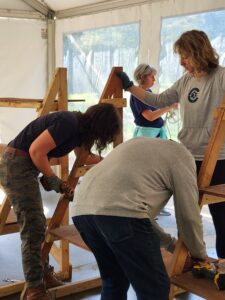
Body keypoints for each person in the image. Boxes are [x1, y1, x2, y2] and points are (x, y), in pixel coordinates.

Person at [118, 29, 225, 259]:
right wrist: (129, 87)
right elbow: (158, 100)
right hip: (187, 156)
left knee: (222, 216)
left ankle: (224, 264)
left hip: (219, 159)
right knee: (186, 214)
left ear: (198, 52)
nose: (181, 62)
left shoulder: (221, 77)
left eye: (184, 56)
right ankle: (192, 261)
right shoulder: (186, 80)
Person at [0, 103, 121, 300]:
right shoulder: (68, 123)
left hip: (23, 167)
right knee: (33, 227)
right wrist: (56, 181)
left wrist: (111, 160)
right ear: (100, 126)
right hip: (16, 166)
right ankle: (35, 290)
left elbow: (84, 157)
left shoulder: (77, 129)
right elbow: (36, 151)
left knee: (37, 224)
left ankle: (44, 275)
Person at [72, 137, 207, 300]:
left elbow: (138, 215)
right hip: (119, 214)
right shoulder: (184, 158)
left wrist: (172, 246)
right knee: (154, 289)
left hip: (81, 211)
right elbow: (188, 215)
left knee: (114, 281)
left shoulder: (145, 148)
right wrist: (199, 254)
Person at [130, 63, 178, 216]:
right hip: (147, 135)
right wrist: (169, 107)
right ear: (143, 77)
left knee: (156, 171)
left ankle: (153, 204)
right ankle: (144, 207)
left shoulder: (148, 92)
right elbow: (149, 116)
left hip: (155, 133)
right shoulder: (138, 94)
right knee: (146, 172)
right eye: (152, 76)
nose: (154, 79)